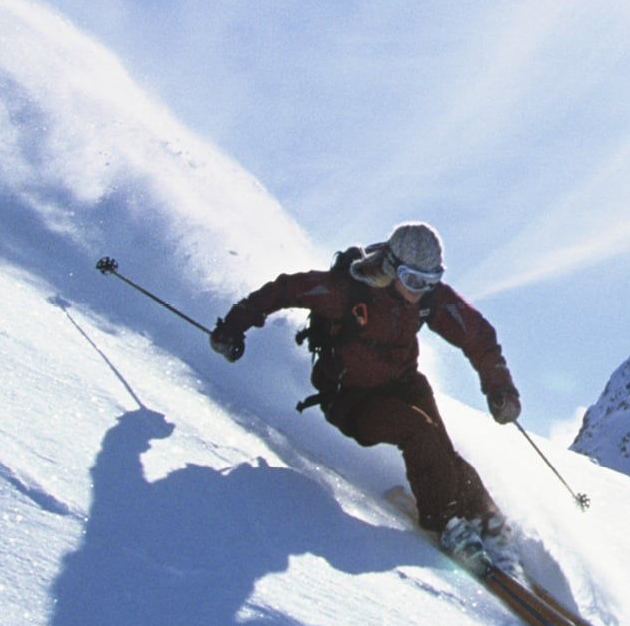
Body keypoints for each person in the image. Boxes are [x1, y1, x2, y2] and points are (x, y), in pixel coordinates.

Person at [210, 222, 521, 555]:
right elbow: (286, 290)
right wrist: (233, 326)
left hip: (402, 383)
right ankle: (447, 523)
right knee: (420, 432)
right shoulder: (346, 291)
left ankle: (490, 524)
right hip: (351, 399)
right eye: (413, 280)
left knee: (441, 450)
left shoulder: (426, 298)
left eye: (429, 282)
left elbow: (477, 334)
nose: (419, 291)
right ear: (392, 268)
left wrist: (499, 387)